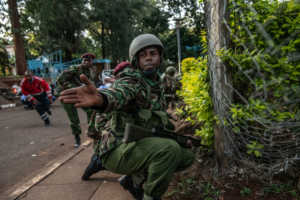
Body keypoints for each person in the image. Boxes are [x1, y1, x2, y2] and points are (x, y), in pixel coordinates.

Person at [59, 34, 195, 200]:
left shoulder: (156, 84)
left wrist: (179, 139)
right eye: (143, 55)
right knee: (168, 150)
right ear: (136, 60)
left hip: (138, 142)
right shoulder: (132, 79)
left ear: (160, 57)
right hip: (117, 147)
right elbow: (118, 93)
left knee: (186, 156)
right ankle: (150, 196)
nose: (149, 59)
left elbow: (156, 122)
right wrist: (101, 99)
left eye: (153, 53)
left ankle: (133, 180)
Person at [56, 53, 98, 148]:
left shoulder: (90, 71)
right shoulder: (74, 68)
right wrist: (76, 87)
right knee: (74, 119)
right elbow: (60, 80)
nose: (86, 62)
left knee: (91, 111)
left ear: (92, 62)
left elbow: (90, 83)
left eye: (89, 60)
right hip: (67, 96)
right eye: (84, 60)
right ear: (82, 61)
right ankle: (77, 138)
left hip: (79, 95)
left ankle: (91, 132)